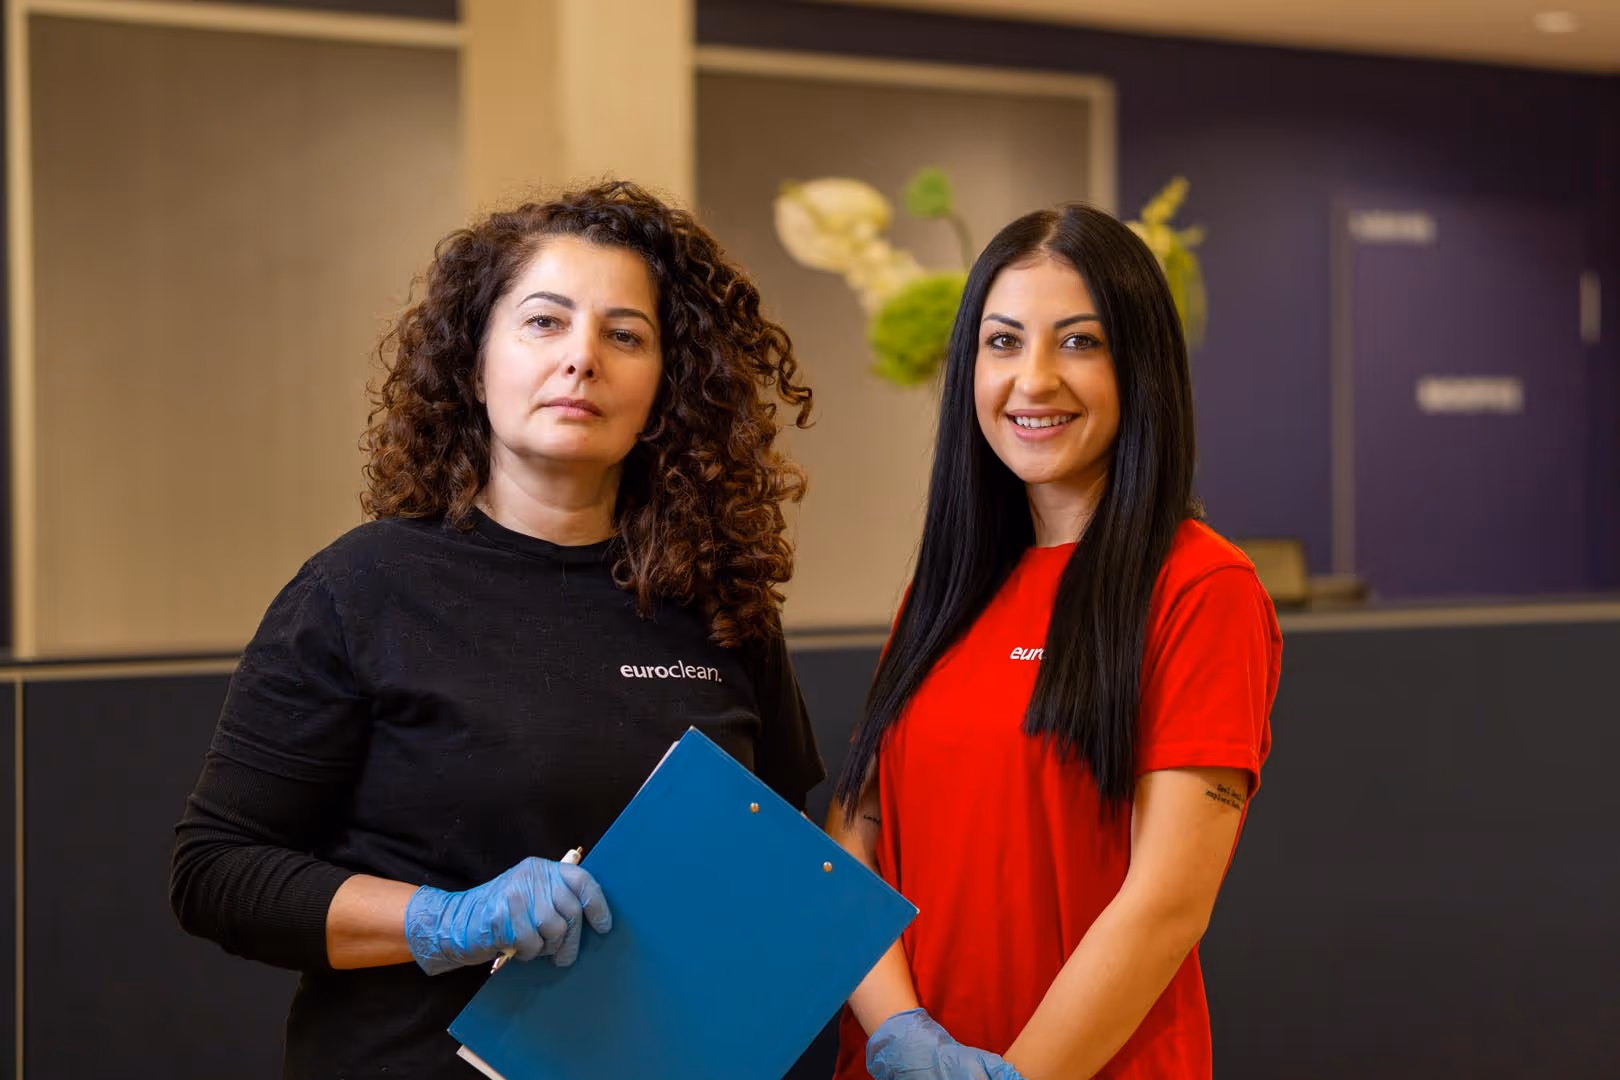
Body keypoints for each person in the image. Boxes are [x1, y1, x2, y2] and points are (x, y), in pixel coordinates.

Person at [170, 180, 826, 1078]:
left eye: (625, 335)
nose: (582, 359)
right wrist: (447, 920)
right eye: (544, 322)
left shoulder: (719, 605)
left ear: (666, 387)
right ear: (475, 366)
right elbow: (216, 871)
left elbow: (778, 851)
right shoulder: (360, 590)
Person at [828, 203, 1282, 1080]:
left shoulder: (1201, 587)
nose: (1033, 381)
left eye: (1079, 342)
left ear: (1140, 365)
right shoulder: (944, 590)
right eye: (1003, 342)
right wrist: (900, 1030)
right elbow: (855, 829)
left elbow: (1165, 904)